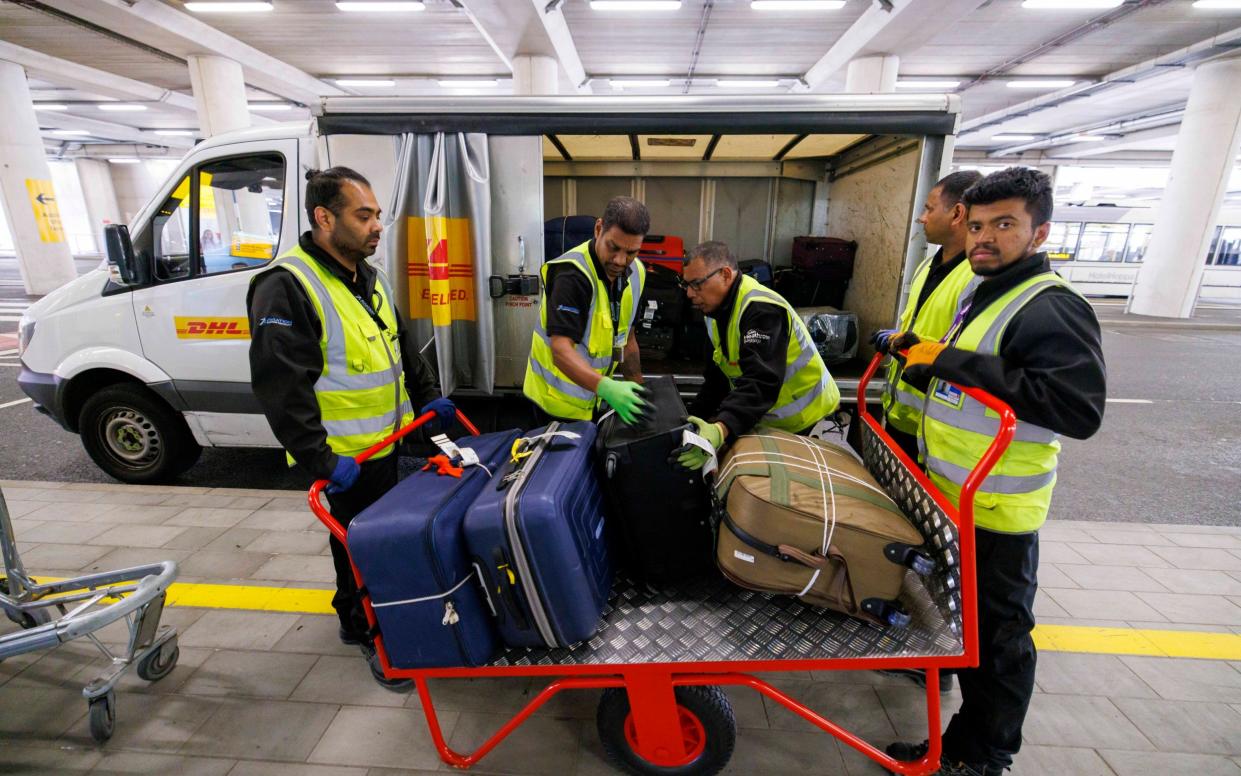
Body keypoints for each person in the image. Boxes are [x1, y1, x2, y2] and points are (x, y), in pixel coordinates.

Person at [879, 167, 1106, 776]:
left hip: (998, 511)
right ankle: (962, 741)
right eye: (977, 224)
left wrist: (955, 364)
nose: (984, 237)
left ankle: (982, 756)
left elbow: (1078, 409)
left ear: (1039, 232)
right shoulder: (986, 289)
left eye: (1004, 224)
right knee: (965, 628)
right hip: (956, 497)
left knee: (998, 642)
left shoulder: (1050, 306)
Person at [247, 167, 454, 692]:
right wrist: (320, 461)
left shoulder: (369, 276)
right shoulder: (287, 287)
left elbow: (402, 346)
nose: (376, 226)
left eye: (377, 215)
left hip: (386, 444)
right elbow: (281, 388)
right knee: (363, 550)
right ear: (324, 218)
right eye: (363, 216)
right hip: (344, 459)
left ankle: (356, 616)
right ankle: (371, 634)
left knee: (378, 543)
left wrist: (429, 399)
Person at [675, 240, 840, 470]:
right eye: (686, 285)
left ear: (724, 274)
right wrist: (690, 422)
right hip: (771, 424)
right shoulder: (714, 312)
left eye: (696, 284)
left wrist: (721, 429)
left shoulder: (761, 309)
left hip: (808, 425)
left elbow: (761, 381)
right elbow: (718, 379)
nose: (690, 294)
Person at [874, 170, 983, 463]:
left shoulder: (976, 278)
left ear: (957, 213)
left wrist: (913, 347)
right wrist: (897, 340)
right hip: (902, 417)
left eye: (929, 208)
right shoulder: (927, 266)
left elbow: (966, 354)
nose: (922, 218)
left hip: (935, 428)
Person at [524, 196, 650, 425]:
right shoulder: (572, 275)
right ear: (598, 229)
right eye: (614, 247)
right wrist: (606, 388)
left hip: (593, 401)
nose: (621, 261)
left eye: (631, 252)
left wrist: (640, 395)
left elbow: (627, 339)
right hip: (554, 406)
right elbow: (561, 351)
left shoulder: (637, 272)